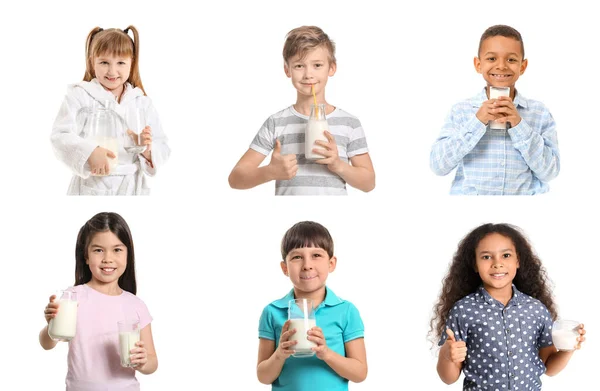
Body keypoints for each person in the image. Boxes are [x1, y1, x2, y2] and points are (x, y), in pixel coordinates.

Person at [431, 223, 586, 390]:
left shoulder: (536, 310)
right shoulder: (463, 311)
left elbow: (549, 367)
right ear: (475, 264)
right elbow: (448, 378)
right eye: (486, 257)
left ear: (518, 260)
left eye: (506, 255)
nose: (497, 264)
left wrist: (568, 348)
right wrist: (447, 355)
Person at [229, 26, 375, 195]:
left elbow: (369, 183)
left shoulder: (349, 123)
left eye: (317, 65)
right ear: (287, 70)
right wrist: (269, 171)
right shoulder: (276, 122)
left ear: (332, 68)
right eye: (299, 66)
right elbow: (235, 179)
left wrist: (338, 165)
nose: (308, 74)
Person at [430, 25, 559, 195]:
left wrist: (519, 125)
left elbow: (550, 172)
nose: (501, 66)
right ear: (478, 64)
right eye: (491, 59)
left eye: (511, 60)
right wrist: (477, 122)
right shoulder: (461, 111)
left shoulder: (539, 112)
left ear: (522, 66)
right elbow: (438, 166)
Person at [40, 212, 158, 390]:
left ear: (128, 254)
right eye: (98, 250)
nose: (108, 258)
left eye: (117, 250)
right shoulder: (73, 298)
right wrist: (51, 325)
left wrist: (143, 362)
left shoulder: (136, 305)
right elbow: (47, 344)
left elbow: (152, 362)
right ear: (86, 256)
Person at [51, 26, 170, 195]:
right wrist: (90, 152)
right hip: (93, 184)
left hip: (131, 187)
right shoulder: (80, 96)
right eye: (104, 62)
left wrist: (147, 149)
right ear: (92, 61)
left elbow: (162, 145)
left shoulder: (142, 102)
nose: (112, 71)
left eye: (121, 63)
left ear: (132, 62)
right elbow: (59, 136)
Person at [257, 221, 367, 389]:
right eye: (297, 257)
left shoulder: (346, 311)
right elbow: (263, 376)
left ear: (331, 264)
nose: (307, 265)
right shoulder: (273, 312)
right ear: (285, 268)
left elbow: (360, 373)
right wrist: (279, 354)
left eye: (316, 255)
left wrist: (326, 353)